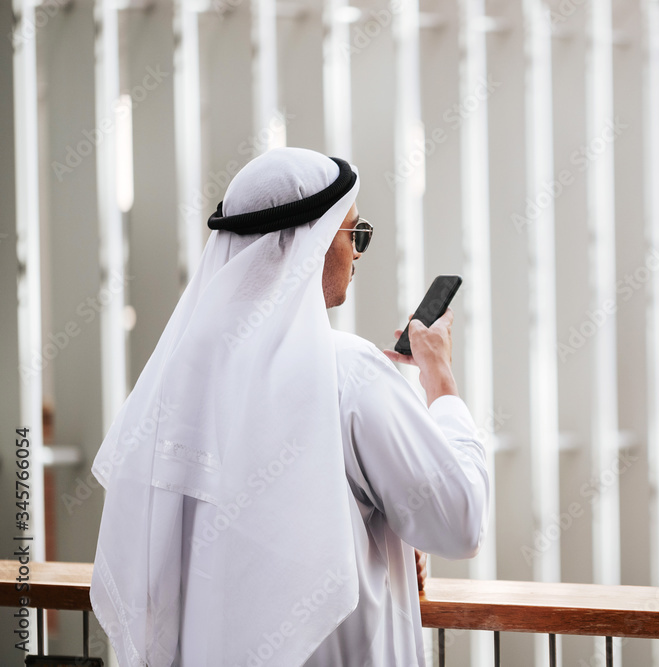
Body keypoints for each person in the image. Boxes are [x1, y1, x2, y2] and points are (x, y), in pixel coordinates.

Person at [89, 147, 490, 667]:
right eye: (354, 232)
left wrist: (384, 537)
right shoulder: (348, 371)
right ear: (312, 241)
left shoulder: (181, 378)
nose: (359, 251)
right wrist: (440, 377)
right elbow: (459, 521)